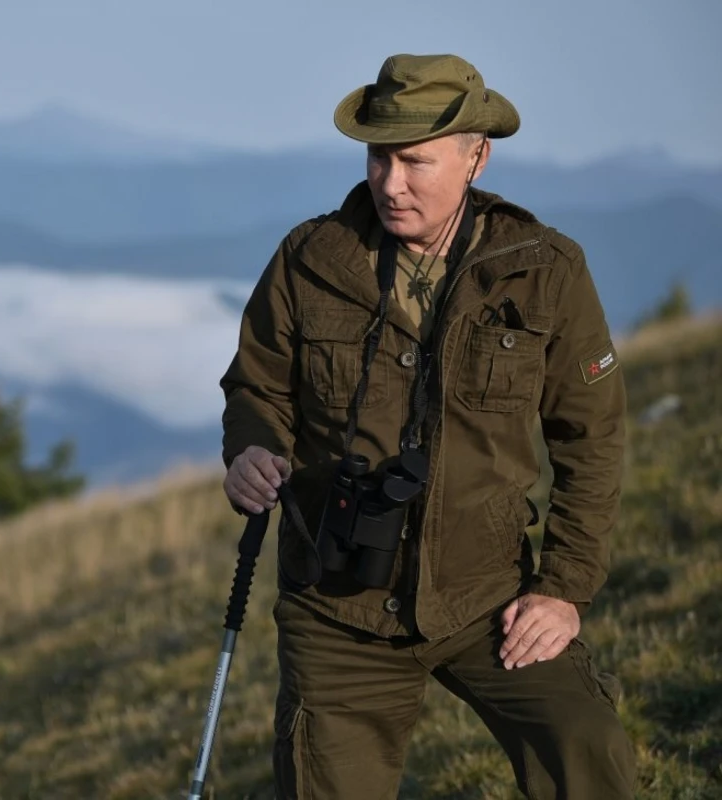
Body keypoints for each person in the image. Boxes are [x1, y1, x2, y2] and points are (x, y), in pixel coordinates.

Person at [219, 54, 634, 798]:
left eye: (415, 160)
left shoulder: (545, 271)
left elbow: (592, 439)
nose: (390, 182)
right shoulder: (310, 260)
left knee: (588, 748)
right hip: (336, 604)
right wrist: (251, 448)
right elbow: (258, 385)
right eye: (379, 156)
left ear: (478, 154)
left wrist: (563, 589)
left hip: (489, 598)